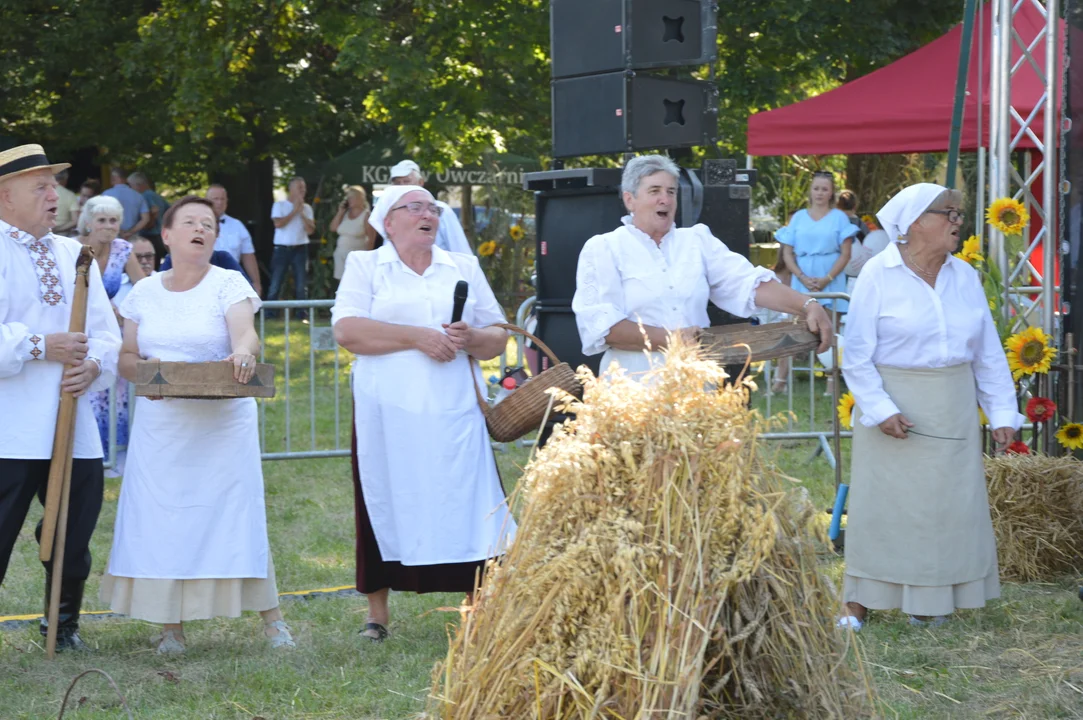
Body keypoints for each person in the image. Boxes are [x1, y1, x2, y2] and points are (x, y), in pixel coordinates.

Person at [100, 195, 294, 654]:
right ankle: (171, 627)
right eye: (189, 222)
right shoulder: (143, 292)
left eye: (207, 223)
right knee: (163, 519)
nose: (200, 229)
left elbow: (244, 330)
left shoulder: (229, 282)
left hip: (222, 425)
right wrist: (150, 371)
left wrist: (245, 350)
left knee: (235, 515)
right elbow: (128, 359)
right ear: (166, 236)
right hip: (162, 428)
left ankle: (272, 621)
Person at [332, 185, 516, 642]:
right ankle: (377, 615)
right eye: (413, 207)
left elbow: (499, 336)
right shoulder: (366, 265)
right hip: (387, 411)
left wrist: (469, 338)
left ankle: (477, 611)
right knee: (383, 498)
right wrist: (417, 337)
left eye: (432, 208)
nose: (427, 214)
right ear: (387, 222)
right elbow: (348, 330)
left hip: (453, 409)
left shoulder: (464, 267)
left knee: (468, 501)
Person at [838, 183, 1022, 631]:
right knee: (884, 507)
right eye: (951, 214)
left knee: (945, 508)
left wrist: (1001, 414)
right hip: (893, 404)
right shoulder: (877, 275)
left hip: (952, 403)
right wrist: (881, 409)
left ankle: (930, 602)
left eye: (959, 214)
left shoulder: (965, 277)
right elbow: (857, 353)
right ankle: (859, 602)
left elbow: (989, 354)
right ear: (917, 220)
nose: (959, 223)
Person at [0, 144, 122, 651]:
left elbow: (108, 335)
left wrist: (94, 365)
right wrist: (38, 345)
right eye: (41, 187)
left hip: (73, 426)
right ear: (4, 196)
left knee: (72, 535)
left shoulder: (75, 254)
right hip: (8, 428)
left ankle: (63, 625)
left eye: (54, 186)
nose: (55, 196)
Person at [572, 154, 833, 380]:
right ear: (630, 200)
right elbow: (605, 329)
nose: (665, 199)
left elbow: (748, 283)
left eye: (671, 191)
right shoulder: (604, 248)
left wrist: (807, 305)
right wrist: (674, 339)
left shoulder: (697, 241)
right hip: (632, 391)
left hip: (696, 390)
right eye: (654, 191)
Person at [76, 196, 148, 473]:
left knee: (119, 396)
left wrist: (126, 310)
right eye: (102, 220)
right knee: (92, 392)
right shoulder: (75, 249)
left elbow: (143, 288)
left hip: (116, 333)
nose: (109, 226)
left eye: (114, 220)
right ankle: (92, 457)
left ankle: (118, 459)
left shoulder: (123, 249)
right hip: (83, 331)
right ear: (89, 222)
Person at [776, 171, 855, 317]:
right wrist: (802, 277)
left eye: (824, 189)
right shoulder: (798, 217)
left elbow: (846, 254)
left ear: (831, 193)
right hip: (802, 279)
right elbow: (787, 253)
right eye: (816, 188)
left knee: (831, 330)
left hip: (831, 279)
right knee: (801, 329)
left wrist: (827, 279)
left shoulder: (840, 217)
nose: (820, 193)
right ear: (810, 191)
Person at [389, 160, 474, 254]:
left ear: (420, 182)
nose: (402, 186)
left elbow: (461, 249)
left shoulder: (441, 210)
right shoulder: (391, 212)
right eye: (397, 183)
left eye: (406, 181)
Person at [267, 177, 314, 318]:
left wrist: (301, 212)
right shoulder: (279, 205)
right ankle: (269, 313)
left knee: (301, 283)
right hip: (282, 249)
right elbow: (278, 224)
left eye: (304, 188)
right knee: (276, 281)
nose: (303, 191)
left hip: (300, 248)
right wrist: (294, 210)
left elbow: (311, 230)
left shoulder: (307, 208)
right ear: (291, 189)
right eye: (299, 187)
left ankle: (302, 313)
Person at [206, 184, 261, 295]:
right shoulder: (197, 225)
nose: (220, 202)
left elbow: (248, 255)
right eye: (215, 199)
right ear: (206, 201)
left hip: (232, 281)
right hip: (205, 280)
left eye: (223, 199)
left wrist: (256, 282)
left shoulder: (237, 225)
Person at [329, 185, 375, 286]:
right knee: (341, 284)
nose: (348, 200)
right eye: (348, 198)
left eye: (351, 197)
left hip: (357, 257)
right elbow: (333, 228)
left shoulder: (366, 215)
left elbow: (371, 239)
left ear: (359, 198)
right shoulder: (345, 213)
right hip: (340, 255)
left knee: (356, 284)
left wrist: (367, 259)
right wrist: (340, 212)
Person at [128, 171, 170, 264]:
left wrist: (149, 223)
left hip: (149, 236)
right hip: (160, 236)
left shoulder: (145, 196)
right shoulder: (157, 196)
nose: (130, 189)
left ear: (138, 185)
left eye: (131, 186)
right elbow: (170, 210)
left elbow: (154, 210)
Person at [102, 168, 150, 241]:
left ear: (113, 178)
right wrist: (130, 232)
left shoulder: (106, 194)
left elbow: (102, 215)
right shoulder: (138, 195)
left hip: (112, 237)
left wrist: (120, 231)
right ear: (126, 179)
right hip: (133, 238)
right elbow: (146, 219)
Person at [114, 236, 157, 307]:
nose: (144, 261)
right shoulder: (115, 284)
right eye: (138, 257)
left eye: (148, 256)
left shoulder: (165, 282)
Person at [52, 168, 81, 235]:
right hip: (63, 235)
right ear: (66, 179)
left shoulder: (42, 193)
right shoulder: (70, 195)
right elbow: (75, 221)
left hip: (43, 234)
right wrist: (57, 229)